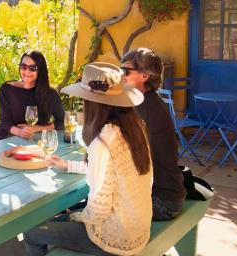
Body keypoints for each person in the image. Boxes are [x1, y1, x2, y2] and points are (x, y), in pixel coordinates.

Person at [20, 62, 153, 256]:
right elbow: (112, 172)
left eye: (84, 101)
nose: (83, 105)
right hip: (139, 230)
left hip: (115, 239)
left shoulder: (103, 142)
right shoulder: (136, 129)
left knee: (32, 232)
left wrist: (76, 217)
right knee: (62, 219)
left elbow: (98, 210)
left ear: (93, 104)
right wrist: (69, 165)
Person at [121, 48, 186, 220]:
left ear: (144, 76)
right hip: (165, 193)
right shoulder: (146, 102)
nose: (121, 75)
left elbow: (123, 155)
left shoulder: (145, 109)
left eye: (126, 71)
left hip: (162, 200)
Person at [0, 50, 65, 142]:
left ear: (40, 70)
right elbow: (5, 122)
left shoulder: (50, 93)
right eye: (23, 66)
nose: (26, 71)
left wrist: (36, 128)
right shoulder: (7, 89)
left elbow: (62, 122)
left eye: (32, 68)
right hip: (6, 138)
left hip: (37, 140)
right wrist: (20, 132)